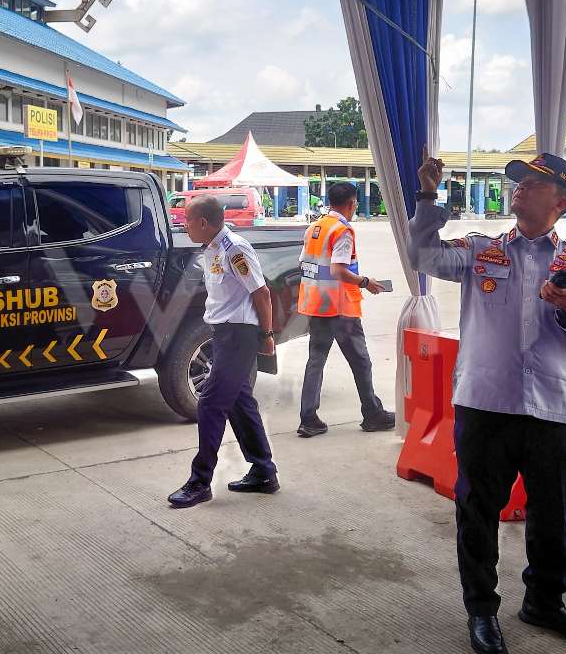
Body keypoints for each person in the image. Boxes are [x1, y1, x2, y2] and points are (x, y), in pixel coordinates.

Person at [407, 152, 566, 654]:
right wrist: (426, 198)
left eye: (533, 183)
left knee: (553, 515)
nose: (520, 188)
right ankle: (481, 610)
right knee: (477, 511)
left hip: (553, 409)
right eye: (519, 181)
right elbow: (422, 256)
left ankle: (544, 602)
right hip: (486, 403)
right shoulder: (481, 250)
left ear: (561, 201)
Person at [167, 196, 279, 508]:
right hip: (223, 334)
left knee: (209, 405)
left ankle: (200, 481)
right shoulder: (214, 249)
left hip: (239, 335)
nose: (183, 225)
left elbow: (262, 292)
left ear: (203, 222)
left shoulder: (235, 249)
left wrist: (267, 336)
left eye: (187, 221)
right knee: (240, 403)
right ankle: (264, 472)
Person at [295, 181, 395, 437]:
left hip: (316, 303)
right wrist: (365, 282)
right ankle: (372, 414)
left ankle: (308, 419)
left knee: (316, 360)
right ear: (351, 203)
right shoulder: (342, 231)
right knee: (361, 362)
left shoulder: (315, 227)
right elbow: (339, 270)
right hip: (340, 307)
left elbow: (304, 264)